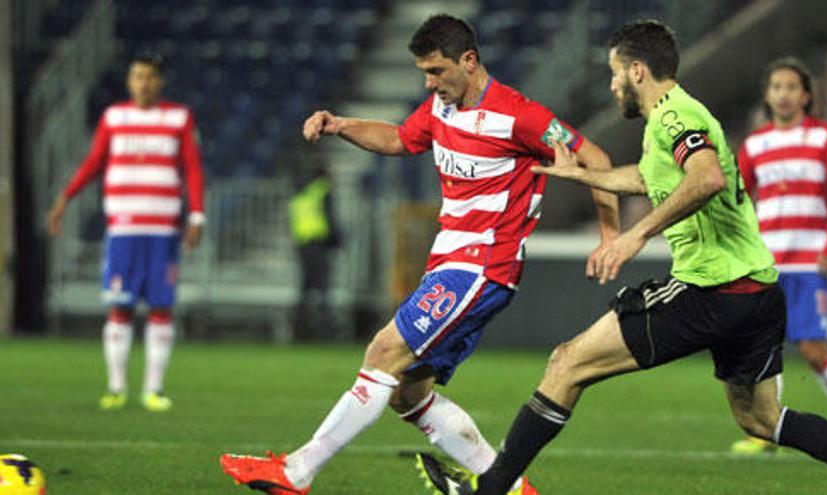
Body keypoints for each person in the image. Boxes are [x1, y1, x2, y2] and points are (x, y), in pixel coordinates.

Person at [418, 20, 827, 494]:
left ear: (638, 71)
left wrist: (633, 236)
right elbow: (649, 177)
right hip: (757, 290)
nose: (612, 83)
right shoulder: (672, 118)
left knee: (567, 363)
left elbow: (706, 179)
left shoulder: (676, 117)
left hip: (711, 290)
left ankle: (489, 490)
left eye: (615, 73)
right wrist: (582, 176)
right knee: (762, 420)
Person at [219, 14, 619, 495]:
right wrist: (340, 124)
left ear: (468, 62)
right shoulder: (439, 108)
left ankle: (297, 472)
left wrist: (611, 236)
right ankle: (513, 489)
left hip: (482, 265)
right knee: (407, 393)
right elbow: (400, 139)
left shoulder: (518, 116)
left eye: (436, 71)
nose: (429, 82)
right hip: (449, 263)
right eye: (424, 73)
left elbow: (595, 157)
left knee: (384, 351)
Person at [47, 53, 205, 413]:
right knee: (119, 306)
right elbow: (93, 162)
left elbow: (193, 168)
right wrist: (64, 198)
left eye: (149, 77)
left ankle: (154, 389)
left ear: (160, 81)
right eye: (137, 77)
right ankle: (116, 387)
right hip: (123, 229)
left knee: (161, 307)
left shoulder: (178, 117)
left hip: (163, 229)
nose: (143, 83)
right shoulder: (114, 117)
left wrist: (197, 215)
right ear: (129, 82)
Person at [731, 57, 827, 454]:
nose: (783, 94)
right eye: (776, 87)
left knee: (812, 348)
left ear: (805, 95)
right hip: (766, 262)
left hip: (810, 261)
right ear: (767, 95)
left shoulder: (824, 138)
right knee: (764, 346)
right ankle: (765, 430)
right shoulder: (755, 145)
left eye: (791, 87)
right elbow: (736, 199)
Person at [288, 163, 341, 339]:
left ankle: (298, 327)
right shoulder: (322, 191)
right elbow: (329, 217)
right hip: (318, 243)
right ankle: (322, 329)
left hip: (302, 244)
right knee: (322, 287)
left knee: (306, 287)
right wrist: (337, 240)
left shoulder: (300, 194)